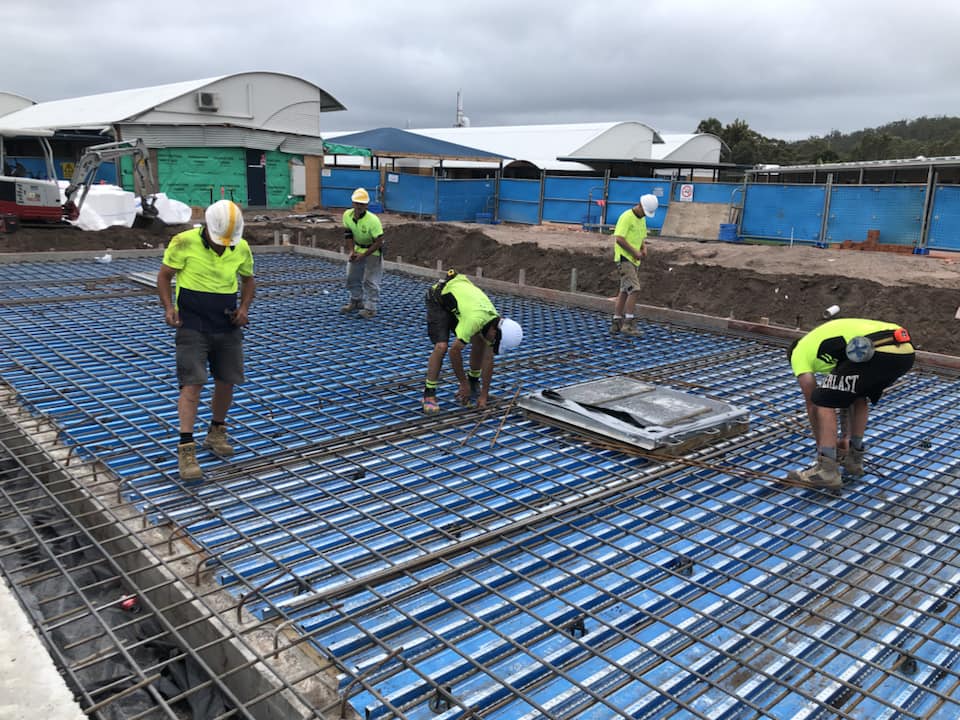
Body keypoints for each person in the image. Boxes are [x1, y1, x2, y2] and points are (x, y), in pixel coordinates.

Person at [157, 199, 256, 480]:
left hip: (226, 323)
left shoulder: (241, 247)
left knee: (227, 381)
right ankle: (186, 448)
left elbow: (249, 279)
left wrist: (244, 308)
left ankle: (216, 431)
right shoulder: (184, 242)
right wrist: (168, 307)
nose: (223, 245)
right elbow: (164, 276)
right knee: (193, 383)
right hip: (192, 325)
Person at [785, 317, 915, 489]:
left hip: (875, 349)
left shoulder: (798, 353)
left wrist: (822, 446)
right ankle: (854, 458)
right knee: (858, 394)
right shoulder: (826, 347)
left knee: (821, 400)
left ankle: (826, 471)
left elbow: (813, 403)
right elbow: (847, 395)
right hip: (905, 350)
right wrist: (844, 438)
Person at [422, 270, 523, 413]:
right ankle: (429, 393)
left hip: (458, 301)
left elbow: (488, 358)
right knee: (442, 346)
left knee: (481, 340)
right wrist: (463, 383)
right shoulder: (474, 320)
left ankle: (474, 382)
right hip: (438, 298)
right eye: (495, 341)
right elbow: (454, 352)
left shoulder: (494, 322)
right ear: (495, 332)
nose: (492, 342)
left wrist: (484, 394)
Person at [610, 193, 659, 336]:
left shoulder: (641, 219)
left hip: (633, 260)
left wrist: (643, 248)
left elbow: (641, 237)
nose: (645, 215)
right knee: (635, 289)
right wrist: (634, 252)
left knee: (624, 290)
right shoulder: (626, 217)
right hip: (624, 259)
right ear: (640, 205)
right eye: (645, 211)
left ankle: (616, 322)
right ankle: (628, 324)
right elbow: (619, 239)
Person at [339, 187, 384, 319]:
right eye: (357, 203)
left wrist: (364, 255)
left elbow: (379, 241)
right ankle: (356, 300)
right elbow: (348, 234)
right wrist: (352, 251)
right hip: (358, 248)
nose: (359, 206)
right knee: (352, 277)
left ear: (366, 205)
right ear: (353, 203)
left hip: (373, 250)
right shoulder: (347, 215)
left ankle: (370, 308)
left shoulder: (373, 220)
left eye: (362, 204)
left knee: (370, 280)